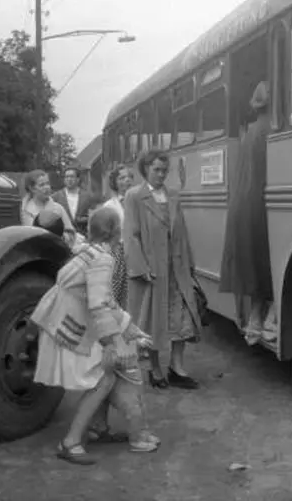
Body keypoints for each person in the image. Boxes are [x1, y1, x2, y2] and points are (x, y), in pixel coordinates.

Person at [31, 205, 160, 465]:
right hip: (69, 326)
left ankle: (97, 428)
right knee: (103, 377)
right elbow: (100, 304)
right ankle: (70, 442)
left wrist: (129, 327)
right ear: (116, 232)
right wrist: (110, 343)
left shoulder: (88, 251)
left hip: (60, 322)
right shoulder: (103, 259)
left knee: (101, 374)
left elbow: (106, 300)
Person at [124, 149, 201, 390]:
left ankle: (177, 368)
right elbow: (131, 235)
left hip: (177, 268)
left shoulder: (173, 196)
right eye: (156, 170)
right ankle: (155, 368)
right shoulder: (134, 196)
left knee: (182, 318)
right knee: (153, 321)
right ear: (145, 169)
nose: (161, 175)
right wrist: (140, 267)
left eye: (164, 170)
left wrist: (190, 264)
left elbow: (182, 232)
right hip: (153, 270)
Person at [219, 81, 277, 346]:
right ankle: (271, 317)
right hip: (262, 203)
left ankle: (255, 320)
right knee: (269, 260)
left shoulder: (251, 131)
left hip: (244, 205)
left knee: (254, 262)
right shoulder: (273, 128)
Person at [103, 165, 134, 309]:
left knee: (133, 294)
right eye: (122, 178)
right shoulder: (110, 206)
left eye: (129, 177)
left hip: (136, 252)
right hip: (118, 253)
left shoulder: (139, 202)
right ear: (114, 182)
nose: (127, 180)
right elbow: (105, 234)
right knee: (115, 293)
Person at [21, 169, 75, 247]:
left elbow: (71, 234)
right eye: (42, 185)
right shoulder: (23, 211)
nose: (46, 187)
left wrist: (62, 237)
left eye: (48, 184)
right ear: (32, 188)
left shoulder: (58, 208)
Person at [53, 165, 93, 234]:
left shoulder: (87, 197)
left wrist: (84, 219)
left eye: (72, 176)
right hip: (63, 235)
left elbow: (92, 217)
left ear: (78, 179)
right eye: (66, 177)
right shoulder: (56, 197)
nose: (69, 179)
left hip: (83, 235)